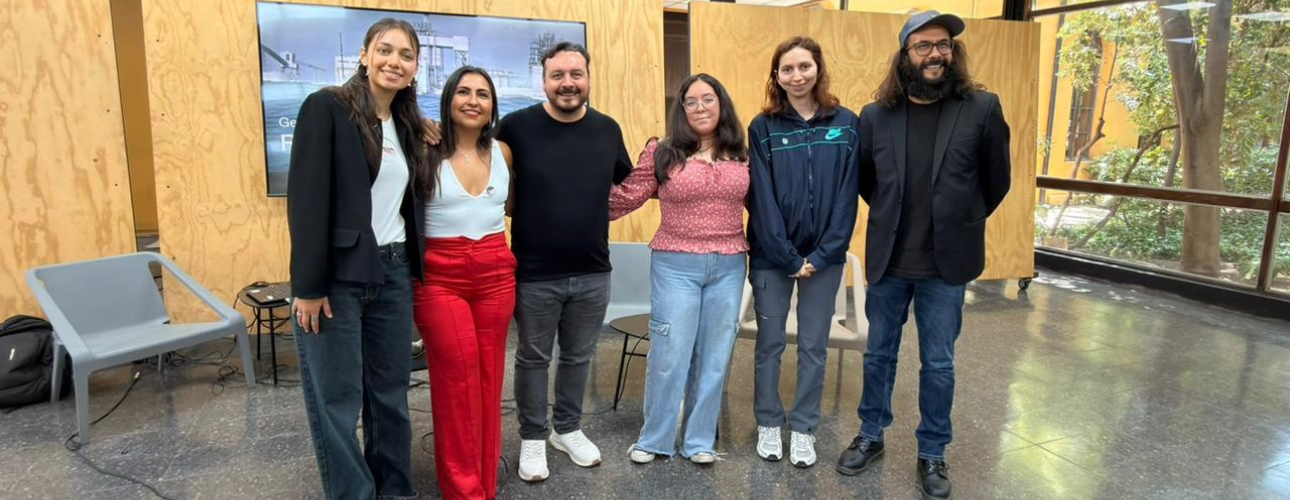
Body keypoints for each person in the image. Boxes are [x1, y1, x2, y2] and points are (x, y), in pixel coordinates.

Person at [835, 12, 1011, 500]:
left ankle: (932, 450)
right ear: (905, 56)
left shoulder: (982, 108)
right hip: (890, 260)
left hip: (947, 264)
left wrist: (960, 218)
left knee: (939, 364)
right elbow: (868, 181)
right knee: (878, 355)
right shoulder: (875, 116)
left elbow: (997, 181)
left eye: (944, 45)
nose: (936, 54)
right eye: (924, 46)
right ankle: (871, 435)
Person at [287, 18, 427, 500]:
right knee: (340, 403)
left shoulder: (407, 124)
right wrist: (308, 286)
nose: (394, 61)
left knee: (390, 398)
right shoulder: (326, 107)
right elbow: (306, 201)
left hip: (392, 274)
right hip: (338, 280)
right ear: (364, 55)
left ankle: (396, 491)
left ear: (414, 69)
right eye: (385, 50)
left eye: (406, 55)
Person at [497, 42, 633, 482]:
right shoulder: (515, 128)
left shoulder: (608, 129)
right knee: (533, 359)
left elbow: (628, 185)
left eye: (576, 74)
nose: (568, 83)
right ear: (544, 80)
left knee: (579, 357)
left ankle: (568, 429)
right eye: (558, 75)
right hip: (535, 273)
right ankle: (533, 438)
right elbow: (484, 175)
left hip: (594, 270)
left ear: (589, 78)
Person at [609, 74, 749, 465]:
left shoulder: (741, 152)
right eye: (691, 101)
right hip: (675, 265)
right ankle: (655, 440)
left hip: (729, 265)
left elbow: (766, 207)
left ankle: (699, 441)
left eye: (708, 99)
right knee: (670, 354)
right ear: (681, 108)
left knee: (715, 355)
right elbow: (626, 197)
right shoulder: (663, 151)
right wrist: (572, 203)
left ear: (722, 104)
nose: (700, 107)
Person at [747, 36, 861, 469]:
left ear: (818, 69)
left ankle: (805, 428)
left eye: (804, 67)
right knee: (770, 344)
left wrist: (823, 253)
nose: (796, 76)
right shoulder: (763, 127)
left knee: (814, 345)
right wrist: (789, 257)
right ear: (776, 76)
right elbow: (761, 199)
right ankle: (769, 423)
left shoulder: (846, 123)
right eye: (787, 69)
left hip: (824, 260)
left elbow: (848, 197)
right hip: (772, 259)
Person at [413, 66, 515, 500]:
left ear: (493, 105)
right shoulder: (423, 149)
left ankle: (485, 485)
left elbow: (510, 209)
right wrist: (411, 120)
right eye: (464, 92)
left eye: (483, 94)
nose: (474, 101)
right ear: (449, 100)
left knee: (490, 380)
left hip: (496, 270)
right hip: (440, 276)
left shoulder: (505, 152)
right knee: (456, 381)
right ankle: (462, 490)